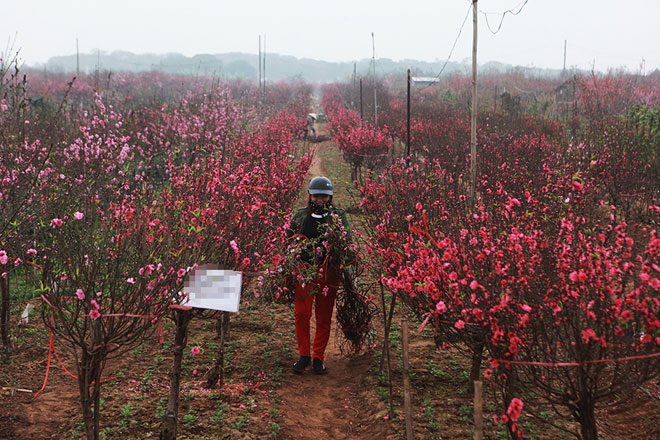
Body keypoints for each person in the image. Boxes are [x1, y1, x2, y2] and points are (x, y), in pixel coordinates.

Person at [286, 176, 353, 374]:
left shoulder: (339, 217)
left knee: (324, 317)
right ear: (310, 196)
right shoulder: (300, 216)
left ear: (330, 197)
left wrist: (348, 267)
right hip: (303, 272)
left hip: (329, 273)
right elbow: (287, 239)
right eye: (316, 196)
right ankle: (304, 355)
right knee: (301, 314)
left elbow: (347, 242)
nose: (319, 200)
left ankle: (318, 358)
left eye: (324, 196)